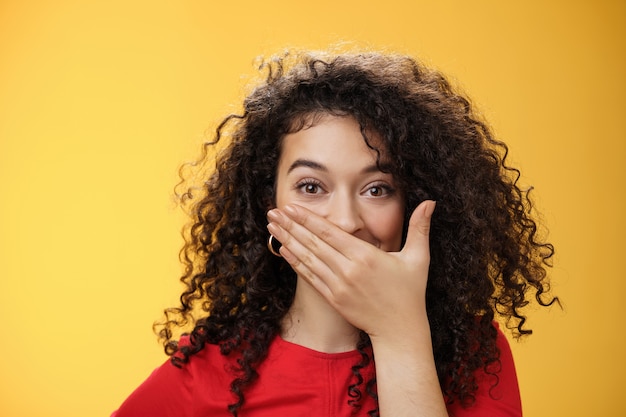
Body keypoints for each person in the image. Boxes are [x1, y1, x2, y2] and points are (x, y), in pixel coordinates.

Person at [112, 49, 557, 417]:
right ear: (269, 203)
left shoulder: (474, 356)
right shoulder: (207, 368)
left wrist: (399, 334)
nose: (346, 221)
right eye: (311, 187)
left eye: (377, 189)